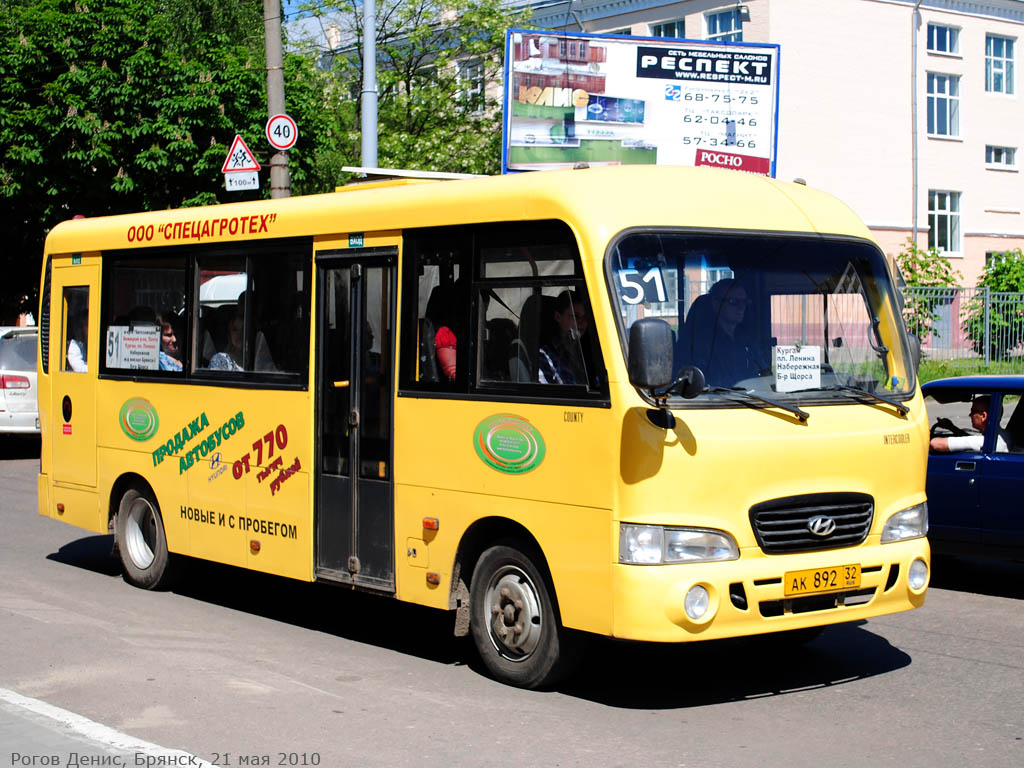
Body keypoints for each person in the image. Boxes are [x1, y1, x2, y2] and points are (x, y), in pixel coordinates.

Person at [692, 278, 764, 387]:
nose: (741, 308)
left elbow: (763, 374)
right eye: (734, 302)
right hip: (716, 402)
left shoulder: (748, 342)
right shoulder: (700, 344)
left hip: (757, 401)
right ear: (716, 304)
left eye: (744, 302)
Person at [538, 290, 589, 385]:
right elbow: (546, 395)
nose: (582, 322)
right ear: (558, 317)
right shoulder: (545, 356)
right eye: (575, 316)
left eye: (585, 317)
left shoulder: (590, 351)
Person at [930, 396, 1009, 453]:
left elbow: (935, 443)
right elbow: (969, 439)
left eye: (973, 412)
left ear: (983, 416)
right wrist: (952, 428)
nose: (970, 415)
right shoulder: (1005, 436)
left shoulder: (981, 442)